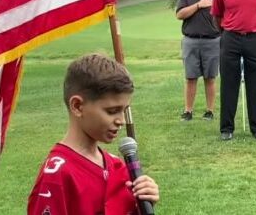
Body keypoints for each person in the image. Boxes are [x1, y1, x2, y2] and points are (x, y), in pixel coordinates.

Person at [27, 53, 159, 214]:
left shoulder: (117, 166)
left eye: (124, 111)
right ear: (77, 106)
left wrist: (142, 205)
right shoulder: (58, 175)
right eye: (112, 111)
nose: (121, 121)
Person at [211, 0, 256, 140]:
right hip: (230, 38)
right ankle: (226, 129)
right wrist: (225, 32)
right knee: (229, 83)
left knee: (255, 84)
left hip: (255, 38)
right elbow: (217, 15)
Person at [176, 0, 220, 122]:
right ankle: (188, 111)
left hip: (212, 42)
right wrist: (198, 5)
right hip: (191, 41)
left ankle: (209, 111)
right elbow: (179, 15)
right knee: (191, 77)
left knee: (210, 77)